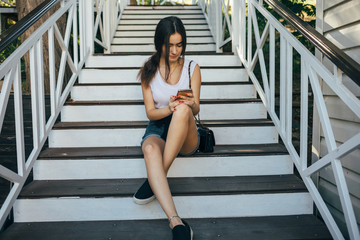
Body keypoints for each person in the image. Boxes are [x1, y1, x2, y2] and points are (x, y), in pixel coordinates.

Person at [134, 16, 201, 240]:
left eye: (179, 44)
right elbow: (150, 113)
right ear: (159, 43)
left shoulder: (192, 67)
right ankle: (176, 223)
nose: (175, 50)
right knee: (149, 149)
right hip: (159, 125)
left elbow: (197, 108)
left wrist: (187, 104)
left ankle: (156, 178)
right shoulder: (148, 70)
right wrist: (169, 108)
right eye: (169, 44)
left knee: (182, 110)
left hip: (185, 129)